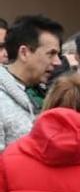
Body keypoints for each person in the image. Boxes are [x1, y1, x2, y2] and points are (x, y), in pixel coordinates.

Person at [1, 14, 63, 150]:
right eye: (51, 54)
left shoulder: (47, 94)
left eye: (58, 54)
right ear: (24, 53)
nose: (58, 62)